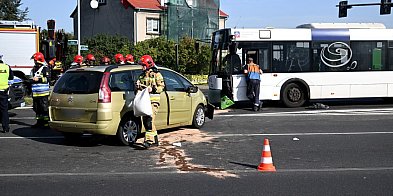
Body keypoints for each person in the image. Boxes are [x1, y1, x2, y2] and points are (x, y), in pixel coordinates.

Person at [136, 55, 165, 149]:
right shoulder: (141, 76)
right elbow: (140, 89)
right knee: (146, 121)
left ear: (148, 64)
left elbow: (162, 87)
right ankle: (155, 140)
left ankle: (148, 141)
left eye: (143, 65)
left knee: (149, 120)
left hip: (154, 101)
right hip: (145, 101)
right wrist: (138, 86)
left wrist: (153, 88)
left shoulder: (156, 74)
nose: (142, 67)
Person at [30, 52, 50, 128]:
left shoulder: (45, 68)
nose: (34, 62)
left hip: (43, 93)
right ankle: (39, 122)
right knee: (36, 108)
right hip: (35, 93)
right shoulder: (34, 68)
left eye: (35, 60)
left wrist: (38, 79)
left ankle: (46, 123)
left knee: (44, 108)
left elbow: (48, 79)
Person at [0, 54, 14, 133]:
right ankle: (6, 127)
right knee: (4, 110)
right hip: (3, 91)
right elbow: (11, 79)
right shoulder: (6, 67)